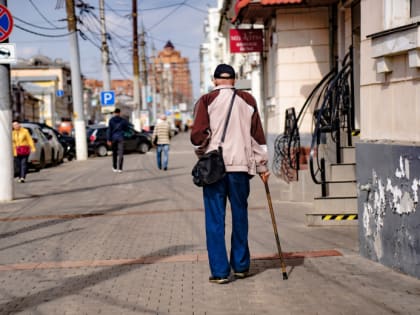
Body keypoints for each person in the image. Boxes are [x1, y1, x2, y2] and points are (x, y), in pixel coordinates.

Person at [191, 64, 270, 284]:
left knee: (215, 220)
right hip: (241, 169)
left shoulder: (206, 101)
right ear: (234, 80)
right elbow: (258, 138)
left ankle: (220, 272)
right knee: (240, 217)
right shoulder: (248, 100)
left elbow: (197, 136)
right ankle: (242, 266)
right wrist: (262, 167)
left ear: (214, 80)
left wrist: (204, 147)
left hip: (214, 169)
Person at [107, 108, 129, 173]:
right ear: (119, 113)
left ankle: (114, 167)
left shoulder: (111, 120)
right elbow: (126, 129)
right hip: (121, 138)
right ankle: (120, 168)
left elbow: (109, 130)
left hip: (113, 138)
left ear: (114, 113)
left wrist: (108, 139)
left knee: (114, 153)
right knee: (121, 153)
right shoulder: (123, 120)